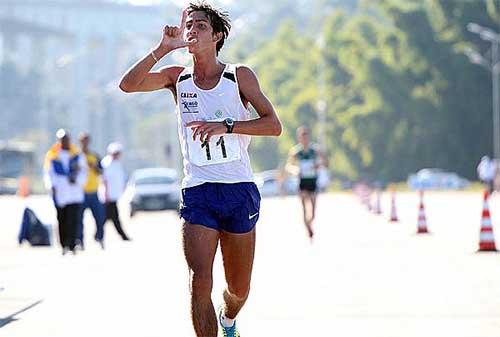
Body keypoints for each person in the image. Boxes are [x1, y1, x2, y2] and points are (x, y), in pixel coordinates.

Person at [119, 2, 282, 336]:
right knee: (199, 282)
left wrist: (227, 126)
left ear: (217, 35)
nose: (192, 30)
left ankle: (229, 318)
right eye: (188, 25)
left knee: (238, 289)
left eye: (201, 26)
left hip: (238, 190)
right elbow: (128, 85)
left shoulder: (238, 76)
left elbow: (273, 125)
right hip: (198, 190)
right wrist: (162, 49)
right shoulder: (177, 78)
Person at [44, 129, 87, 255]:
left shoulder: (77, 155)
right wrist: (52, 185)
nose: (65, 142)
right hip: (60, 193)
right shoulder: (52, 156)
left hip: (74, 193)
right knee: (62, 219)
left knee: (74, 219)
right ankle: (64, 245)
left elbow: (84, 172)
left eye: (67, 139)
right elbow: (48, 173)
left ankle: (73, 244)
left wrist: (77, 180)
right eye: (62, 140)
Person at [286, 126, 328, 240]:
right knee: (305, 209)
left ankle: (310, 224)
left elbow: (325, 162)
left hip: (313, 182)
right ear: (299, 138)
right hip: (302, 183)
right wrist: (295, 170)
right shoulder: (295, 151)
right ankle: (308, 229)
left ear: (309, 137)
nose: (304, 138)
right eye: (302, 136)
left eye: (306, 136)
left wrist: (317, 165)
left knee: (313, 212)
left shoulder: (315, 150)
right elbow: (288, 166)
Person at [77, 132, 106, 249]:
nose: (85, 143)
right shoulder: (77, 156)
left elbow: (101, 171)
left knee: (100, 217)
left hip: (94, 192)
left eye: (87, 141)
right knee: (78, 219)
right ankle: (80, 241)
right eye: (83, 141)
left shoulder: (94, 156)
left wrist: (93, 167)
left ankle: (99, 237)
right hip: (80, 193)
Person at [100, 142, 131, 242]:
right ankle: (123, 236)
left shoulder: (117, 164)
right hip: (108, 196)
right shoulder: (106, 163)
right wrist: (106, 194)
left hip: (114, 195)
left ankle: (98, 235)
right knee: (112, 217)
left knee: (106, 218)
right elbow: (104, 180)